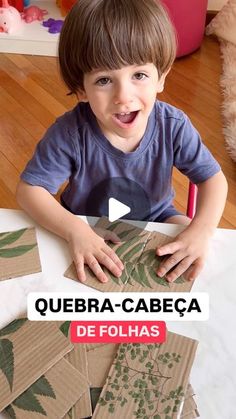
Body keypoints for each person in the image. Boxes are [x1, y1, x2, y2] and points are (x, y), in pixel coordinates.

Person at [16, 0, 228, 285]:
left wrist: (201, 231)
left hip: (157, 219)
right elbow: (30, 191)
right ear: (81, 89)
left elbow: (214, 180)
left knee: (193, 245)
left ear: (161, 78)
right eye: (104, 80)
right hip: (83, 224)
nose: (123, 97)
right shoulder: (70, 133)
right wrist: (76, 230)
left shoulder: (173, 125)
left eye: (139, 75)